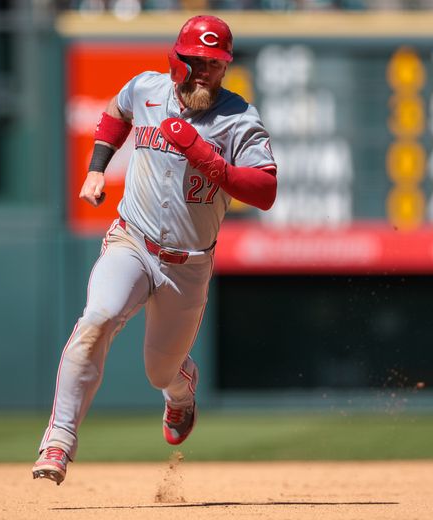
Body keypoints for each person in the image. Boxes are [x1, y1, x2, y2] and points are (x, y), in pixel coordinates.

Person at [32, 14, 277, 485]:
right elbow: (116, 112)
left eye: (216, 64)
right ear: (176, 60)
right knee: (97, 318)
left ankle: (180, 393)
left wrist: (204, 155)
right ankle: (59, 441)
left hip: (188, 265)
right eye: (198, 62)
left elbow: (265, 191)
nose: (206, 72)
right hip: (132, 240)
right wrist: (97, 167)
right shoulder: (146, 88)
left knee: (159, 371)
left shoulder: (238, 117)